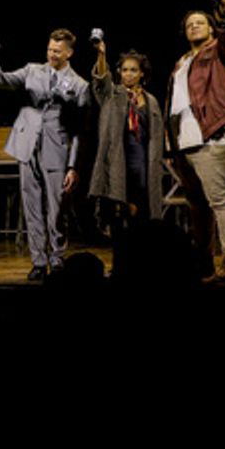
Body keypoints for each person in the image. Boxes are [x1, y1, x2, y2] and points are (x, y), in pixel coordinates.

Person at [0, 29, 90, 280]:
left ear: (69, 53)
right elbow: (0, 79)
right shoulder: (33, 70)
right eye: (49, 49)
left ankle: (57, 257)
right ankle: (38, 260)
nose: (51, 54)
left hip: (57, 148)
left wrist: (73, 166)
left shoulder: (80, 85)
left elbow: (79, 131)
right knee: (31, 206)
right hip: (27, 143)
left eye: (57, 51)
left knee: (57, 209)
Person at [164, 0, 225, 280]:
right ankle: (204, 265)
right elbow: (174, 106)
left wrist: (223, 3)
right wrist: (171, 146)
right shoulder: (182, 62)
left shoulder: (220, 52)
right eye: (189, 24)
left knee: (221, 200)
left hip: (213, 135)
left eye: (200, 23)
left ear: (211, 29)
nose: (194, 27)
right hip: (185, 142)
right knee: (198, 207)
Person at [88, 41, 164, 283]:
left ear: (142, 73)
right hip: (118, 167)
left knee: (141, 219)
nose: (128, 74)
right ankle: (119, 266)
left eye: (133, 70)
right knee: (119, 219)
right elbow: (100, 80)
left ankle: (141, 267)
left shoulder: (150, 101)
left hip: (143, 166)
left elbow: (156, 136)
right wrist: (102, 55)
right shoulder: (113, 94)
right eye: (124, 70)